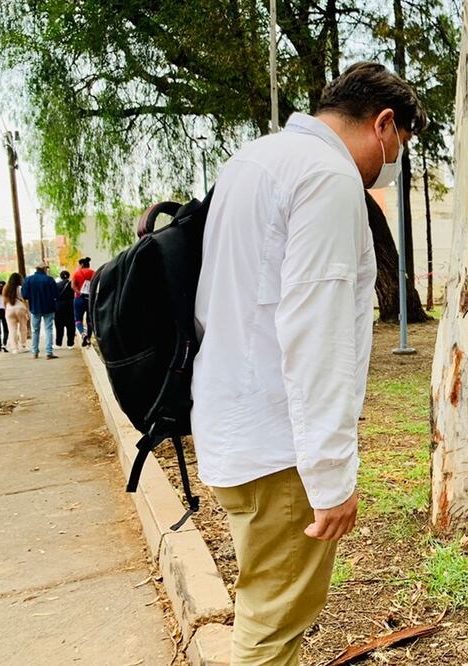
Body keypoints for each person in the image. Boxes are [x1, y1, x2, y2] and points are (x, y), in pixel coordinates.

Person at [190, 62, 426, 666]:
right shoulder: (328, 177)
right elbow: (318, 335)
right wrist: (330, 476)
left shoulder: (253, 161)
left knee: (264, 607)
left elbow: (213, 301)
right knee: (272, 628)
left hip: (230, 424)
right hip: (281, 446)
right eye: (400, 145)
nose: (393, 162)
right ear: (383, 124)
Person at [24, 261, 59, 360]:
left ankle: (35, 352)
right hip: (49, 307)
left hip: (35, 308)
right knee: (48, 329)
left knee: (35, 330)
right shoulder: (49, 279)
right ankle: (49, 352)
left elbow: (25, 295)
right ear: (44, 269)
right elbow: (56, 294)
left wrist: (33, 298)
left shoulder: (28, 280)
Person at [2, 273, 30, 353]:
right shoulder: (21, 288)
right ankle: (23, 346)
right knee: (23, 327)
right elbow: (25, 300)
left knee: (12, 329)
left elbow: (4, 301)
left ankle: (15, 348)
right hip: (20, 307)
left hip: (9, 308)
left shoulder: (6, 287)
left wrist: (5, 309)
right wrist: (27, 311)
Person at [72, 257, 94, 346]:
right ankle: (88, 338)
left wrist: (80, 293)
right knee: (90, 320)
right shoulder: (94, 273)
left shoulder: (77, 273)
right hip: (90, 299)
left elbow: (72, 286)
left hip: (79, 299)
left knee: (78, 319)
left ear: (81, 264)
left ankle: (83, 334)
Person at [55, 270, 76, 348]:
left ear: (60, 277)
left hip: (58, 307)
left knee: (59, 326)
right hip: (70, 306)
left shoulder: (56, 285)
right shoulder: (72, 285)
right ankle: (70, 344)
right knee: (70, 326)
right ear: (69, 276)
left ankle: (58, 343)